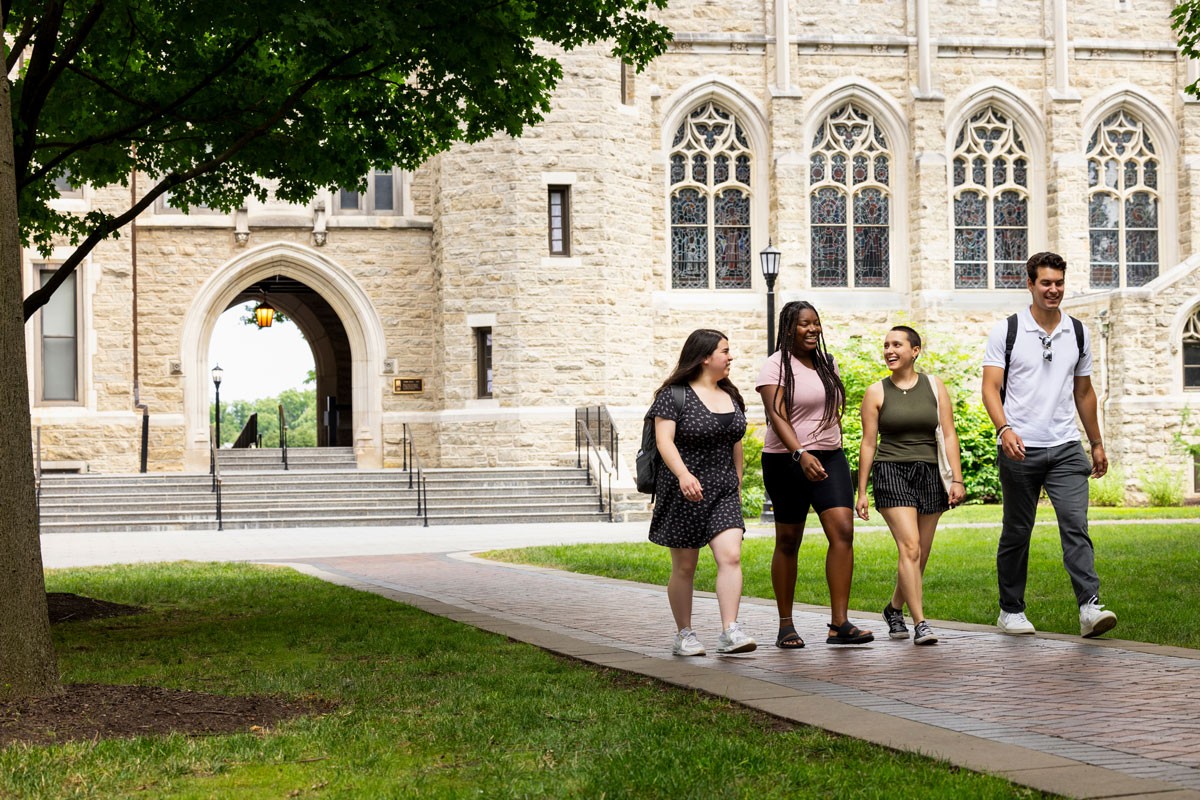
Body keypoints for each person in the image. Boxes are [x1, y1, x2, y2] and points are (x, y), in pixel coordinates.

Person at [981, 251, 1117, 638]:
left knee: (1076, 525)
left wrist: (1096, 442)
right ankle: (1011, 610)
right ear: (1030, 284)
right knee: (1017, 531)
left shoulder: (1077, 331)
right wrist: (1004, 429)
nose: (1053, 290)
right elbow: (990, 388)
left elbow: (1084, 391)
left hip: (1065, 446)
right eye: (1046, 283)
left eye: (1059, 283)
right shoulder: (1007, 330)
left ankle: (1089, 607)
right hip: (1020, 447)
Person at [756, 301, 873, 648]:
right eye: (804, 324)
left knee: (843, 530)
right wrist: (800, 452)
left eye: (816, 324)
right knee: (788, 541)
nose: (812, 330)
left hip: (830, 456)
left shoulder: (827, 363)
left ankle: (839, 624)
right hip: (785, 459)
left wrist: (823, 444)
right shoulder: (775, 366)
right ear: (789, 328)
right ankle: (785, 625)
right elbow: (777, 416)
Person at [650, 329, 757, 656]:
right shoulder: (674, 395)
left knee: (731, 556)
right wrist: (683, 475)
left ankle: (730, 631)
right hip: (685, 490)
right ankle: (684, 634)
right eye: (725, 351)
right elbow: (664, 440)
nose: (730, 357)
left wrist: (737, 482)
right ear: (705, 357)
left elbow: (735, 442)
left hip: (723, 490)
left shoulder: (731, 394)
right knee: (685, 567)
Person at [856, 326, 965, 646]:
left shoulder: (934, 385)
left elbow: (948, 433)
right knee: (910, 547)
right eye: (886, 345)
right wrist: (861, 491)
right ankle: (920, 623)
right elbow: (868, 443)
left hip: (930, 472)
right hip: (891, 471)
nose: (890, 350)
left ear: (915, 351)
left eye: (897, 345)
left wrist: (956, 478)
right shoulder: (876, 391)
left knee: (921, 552)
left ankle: (893, 608)